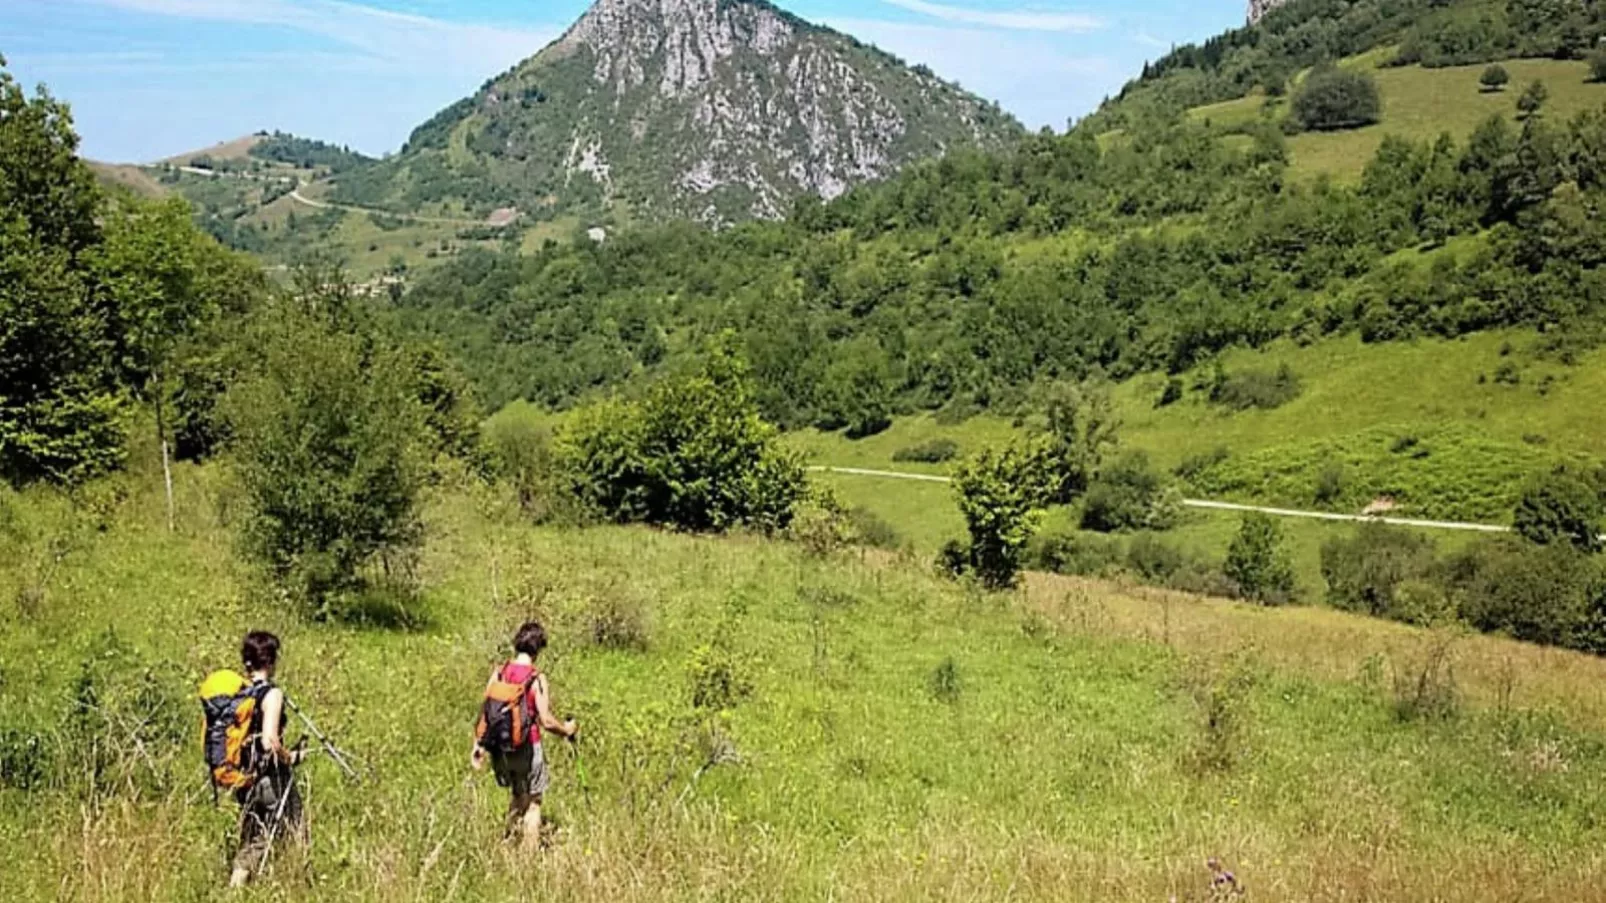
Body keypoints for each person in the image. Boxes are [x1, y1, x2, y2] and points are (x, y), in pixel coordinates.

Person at [471, 621, 578, 850]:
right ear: (538, 649)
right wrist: (567, 730)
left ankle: (506, 846)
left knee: (517, 796)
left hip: (501, 750)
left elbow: (486, 712)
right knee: (533, 803)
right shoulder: (536, 678)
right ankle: (528, 861)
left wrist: (478, 745)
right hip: (528, 747)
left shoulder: (499, 673)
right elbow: (546, 720)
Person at [229, 631, 309, 889]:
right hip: (269, 779)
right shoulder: (271, 694)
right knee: (296, 829)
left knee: (253, 835)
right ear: (272, 660)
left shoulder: (238, 692)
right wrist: (292, 757)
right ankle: (301, 884)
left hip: (242, 777)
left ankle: (235, 888)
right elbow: (270, 743)